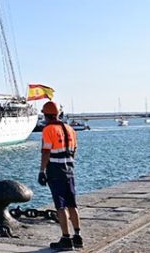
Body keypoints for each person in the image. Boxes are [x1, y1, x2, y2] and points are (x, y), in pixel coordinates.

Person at [38, 100, 83, 250]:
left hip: (55, 171)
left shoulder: (48, 130)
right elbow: (74, 149)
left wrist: (42, 171)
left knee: (61, 205)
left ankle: (66, 238)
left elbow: (46, 151)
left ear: (46, 115)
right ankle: (77, 236)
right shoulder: (70, 129)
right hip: (69, 170)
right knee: (72, 204)